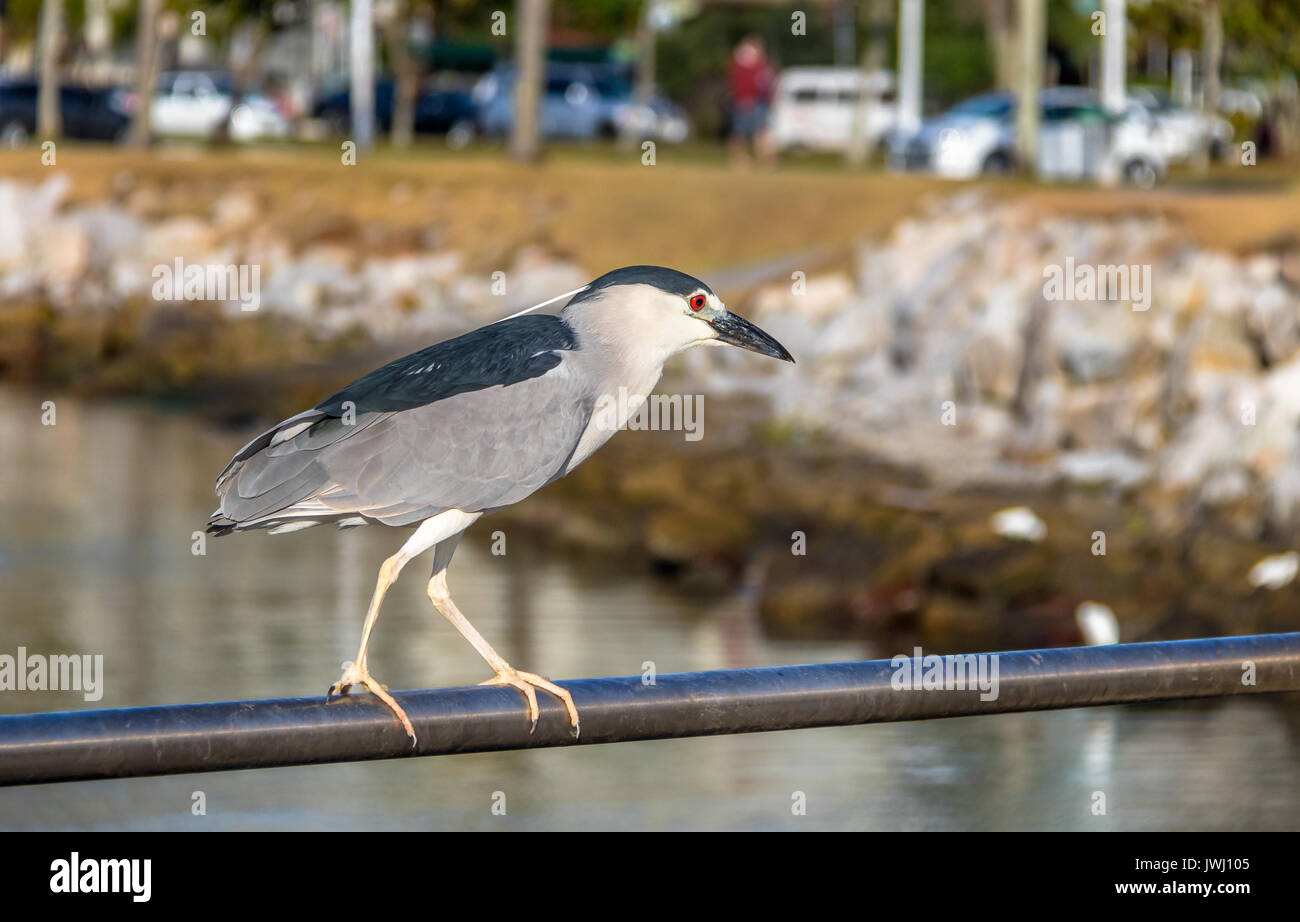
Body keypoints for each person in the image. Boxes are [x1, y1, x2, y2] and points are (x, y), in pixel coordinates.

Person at [727, 34, 776, 169]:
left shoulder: (762, 65)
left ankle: (766, 161)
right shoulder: (742, 65)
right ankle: (741, 161)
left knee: (760, 132)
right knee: (741, 134)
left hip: (757, 102)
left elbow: (767, 85)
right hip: (743, 102)